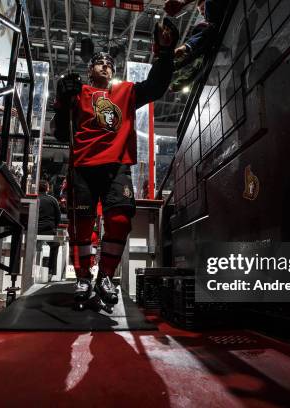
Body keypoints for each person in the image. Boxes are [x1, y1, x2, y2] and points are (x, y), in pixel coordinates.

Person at [51, 19, 179, 308]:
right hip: (82, 166)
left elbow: (156, 86)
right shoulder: (78, 93)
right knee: (81, 226)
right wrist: (61, 100)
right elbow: (60, 133)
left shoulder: (126, 92)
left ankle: (105, 276)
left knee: (119, 221)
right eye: (99, 62)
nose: (106, 66)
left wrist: (166, 54)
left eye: (110, 63)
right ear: (89, 69)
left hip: (117, 166)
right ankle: (83, 275)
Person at [37, 180, 62, 279]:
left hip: (33, 229)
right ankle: (51, 272)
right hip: (48, 229)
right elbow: (58, 217)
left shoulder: (35, 198)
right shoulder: (53, 200)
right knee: (55, 244)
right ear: (47, 188)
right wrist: (54, 227)